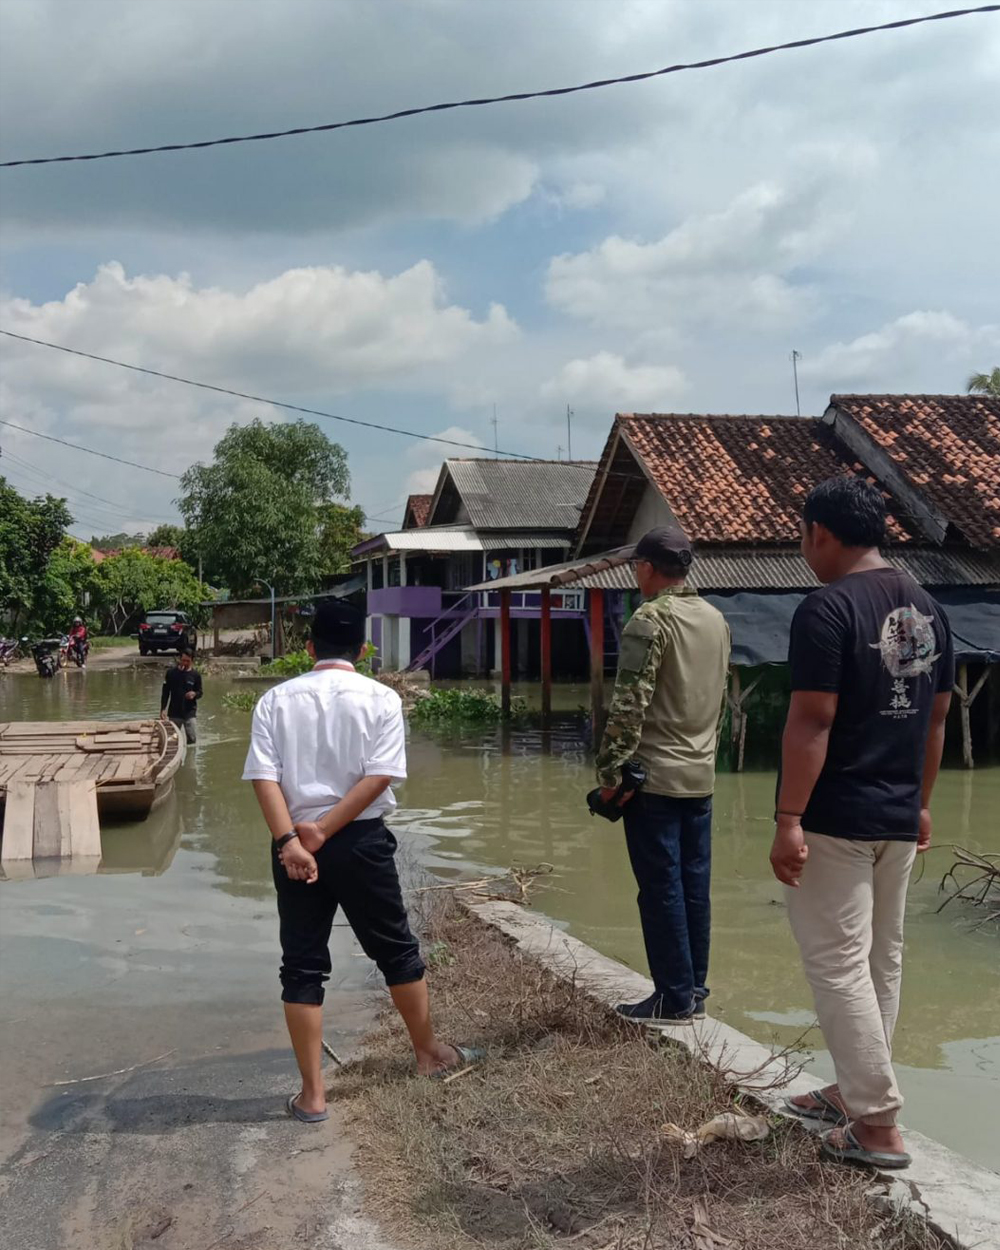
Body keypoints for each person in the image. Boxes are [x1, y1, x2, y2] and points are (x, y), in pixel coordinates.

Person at [771, 476, 954, 1170]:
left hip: (838, 815)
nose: (804, 549)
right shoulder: (929, 607)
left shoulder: (827, 609)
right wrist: (923, 802)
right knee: (882, 957)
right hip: (899, 814)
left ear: (820, 532)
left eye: (803, 536)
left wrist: (789, 817)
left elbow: (812, 720)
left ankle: (877, 1124)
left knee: (837, 962)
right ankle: (854, 1093)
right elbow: (935, 720)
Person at [242, 599, 478, 1123]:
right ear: (363, 650)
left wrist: (292, 841)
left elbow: (265, 777)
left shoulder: (275, 701)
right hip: (361, 841)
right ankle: (427, 1054)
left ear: (308, 648)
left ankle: (313, 1095)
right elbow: (380, 777)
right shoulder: (382, 698)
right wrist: (324, 830)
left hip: (294, 848)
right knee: (395, 948)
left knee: (302, 964)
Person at [594, 526, 731, 1024]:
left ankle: (671, 998)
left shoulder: (650, 619)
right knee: (695, 885)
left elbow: (629, 707)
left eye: (637, 566)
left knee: (660, 889)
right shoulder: (716, 620)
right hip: (701, 776)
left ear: (648, 568)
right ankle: (693, 991)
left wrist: (610, 777)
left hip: (653, 781)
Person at [159, 647, 202, 744]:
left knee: (191, 739)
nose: (185, 663)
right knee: (172, 740)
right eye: (183, 660)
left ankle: (190, 758)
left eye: (188, 661)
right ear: (179, 659)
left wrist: (194, 694)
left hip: (189, 712)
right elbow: (165, 692)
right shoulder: (171, 673)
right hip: (174, 712)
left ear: (192, 660)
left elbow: (200, 692)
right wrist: (163, 709)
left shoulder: (196, 675)